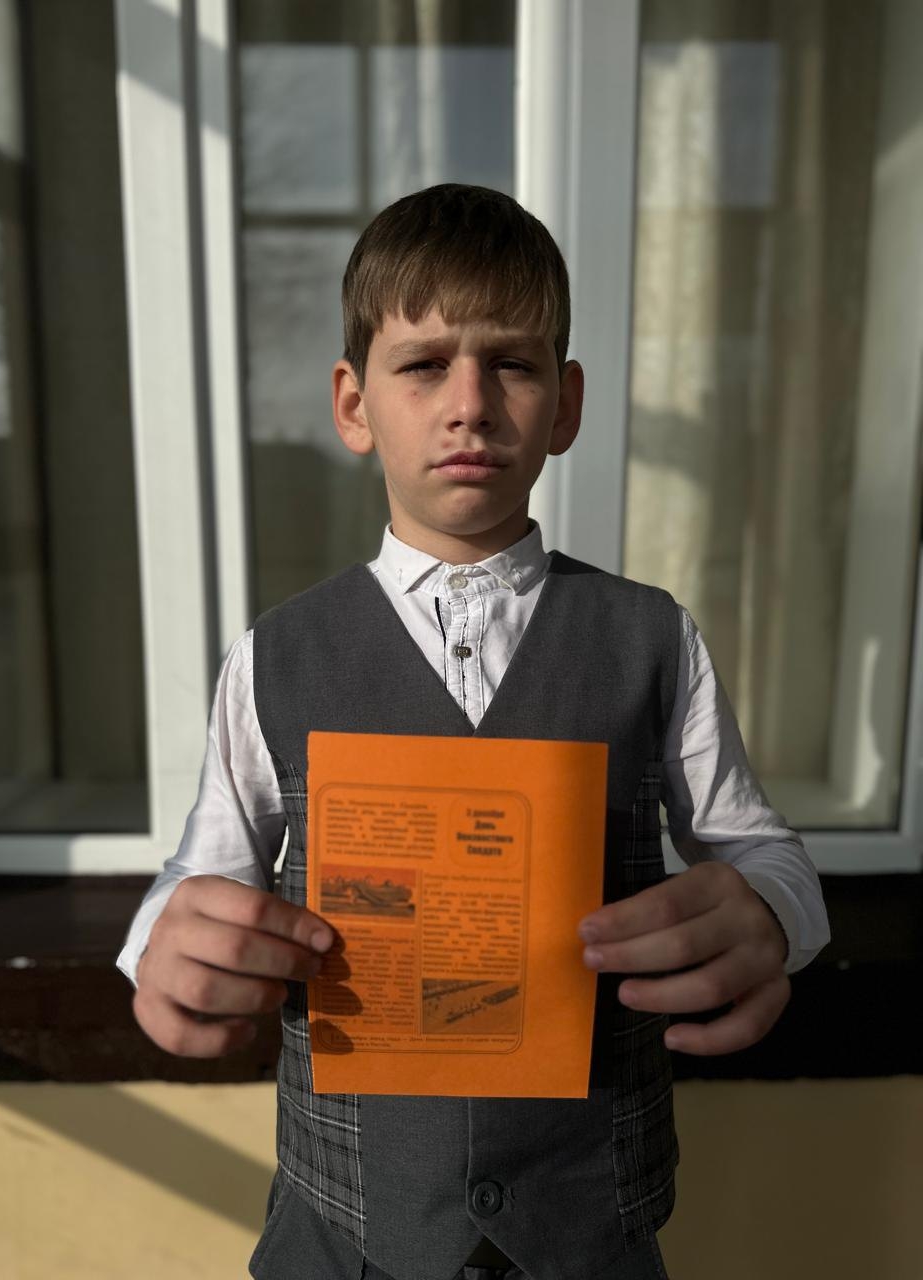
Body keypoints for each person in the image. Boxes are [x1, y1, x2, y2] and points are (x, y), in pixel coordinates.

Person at [118, 184, 830, 1280]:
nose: (470, 404)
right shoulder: (275, 655)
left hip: (590, 1230)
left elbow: (762, 849)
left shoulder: (653, 637)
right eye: (422, 364)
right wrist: (157, 943)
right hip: (342, 1236)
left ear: (566, 403)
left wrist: (773, 912)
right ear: (354, 404)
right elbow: (202, 872)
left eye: (512, 363)